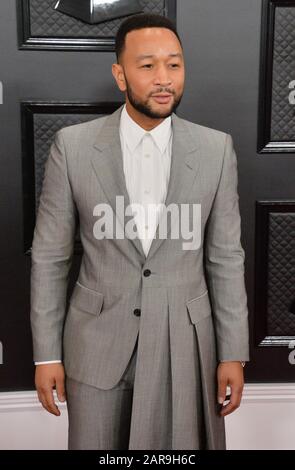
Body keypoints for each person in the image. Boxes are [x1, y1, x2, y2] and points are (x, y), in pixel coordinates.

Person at [30, 13, 250, 450]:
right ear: (120, 74)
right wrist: (46, 354)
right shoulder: (73, 148)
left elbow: (225, 257)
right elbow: (50, 257)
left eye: (175, 64)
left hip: (185, 344)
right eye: (147, 66)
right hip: (96, 341)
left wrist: (232, 352)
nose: (163, 78)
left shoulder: (215, 149)